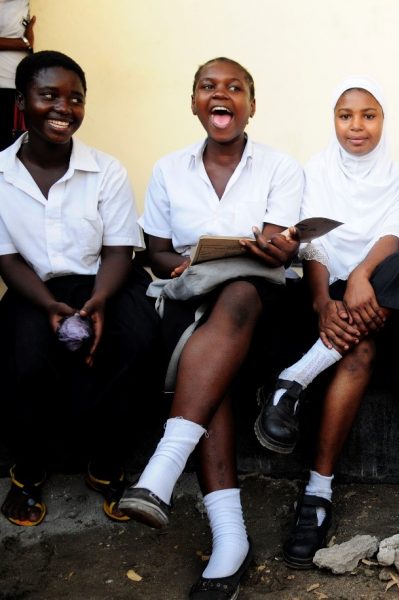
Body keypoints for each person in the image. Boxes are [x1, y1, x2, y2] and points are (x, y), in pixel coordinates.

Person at [118, 57, 304, 599]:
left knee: (238, 297)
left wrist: (272, 248)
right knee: (210, 365)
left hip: (261, 309)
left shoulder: (280, 167)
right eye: (208, 86)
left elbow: (278, 245)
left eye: (234, 87)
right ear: (195, 102)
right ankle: (231, 543)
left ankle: (164, 467)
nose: (221, 95)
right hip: (188, 302)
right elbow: (155, 250)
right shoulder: (168, 169)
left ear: (252, 104)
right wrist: (178, 264)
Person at [254, 77, 399, 568]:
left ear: (383, 120)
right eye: (345, 115)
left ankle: (294, 381)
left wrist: (363, 277)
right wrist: (322, 303)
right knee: (360, 350)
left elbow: (395, 232)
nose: (357, 126)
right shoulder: (316, 170)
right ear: (334, 120)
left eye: (369, 115)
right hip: (328, 292)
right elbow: (314, 241)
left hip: (380, 294)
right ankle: (318, 492)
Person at [0, 50, 157, 526]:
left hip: (106, 280)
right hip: (35, 287)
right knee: (24, 355)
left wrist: (99, 303)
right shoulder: (1, 173)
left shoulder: (105, 170)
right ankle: (28, 467)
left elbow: (119, 250)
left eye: (76, 98)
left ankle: (107, 462)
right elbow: (6, 258)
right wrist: (49, 305)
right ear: (22, 101)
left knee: (136, 341)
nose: (64, 108)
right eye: (49, 95)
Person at [0, 0, 33, 150]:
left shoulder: (24, 4)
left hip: (11, 83)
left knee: (8, 142)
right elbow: (27, 42)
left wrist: (25, 42)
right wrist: (23, 42)